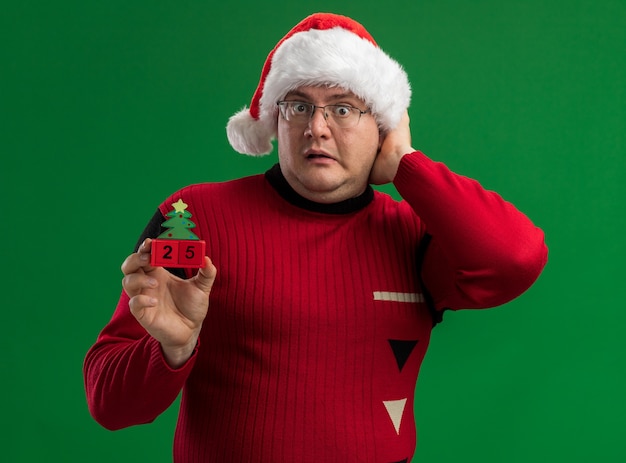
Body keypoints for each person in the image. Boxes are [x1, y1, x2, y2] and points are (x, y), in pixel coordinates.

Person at [83, 12, 548, 463]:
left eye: (343, 108)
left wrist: (408, 164)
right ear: (275, 120)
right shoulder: (192, 217)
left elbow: (517, 258)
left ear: (382, 127)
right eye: (298, 106)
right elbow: (109, 403)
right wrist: (171, 348)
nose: (316, 127)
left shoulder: (413, 235)